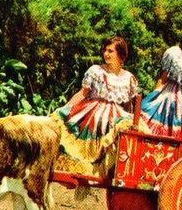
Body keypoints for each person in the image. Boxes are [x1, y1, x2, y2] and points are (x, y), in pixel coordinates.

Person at [55, 36, 140, 178]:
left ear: (121, 54)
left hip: (116, 116)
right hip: (93, 112)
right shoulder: (96, 71)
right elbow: (83, 93)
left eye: (111, 51)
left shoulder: (129, 78)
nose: (106, 54)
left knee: (127, 128)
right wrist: (66, 108)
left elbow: (129, 105)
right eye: (105, 50)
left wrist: (134, 122)